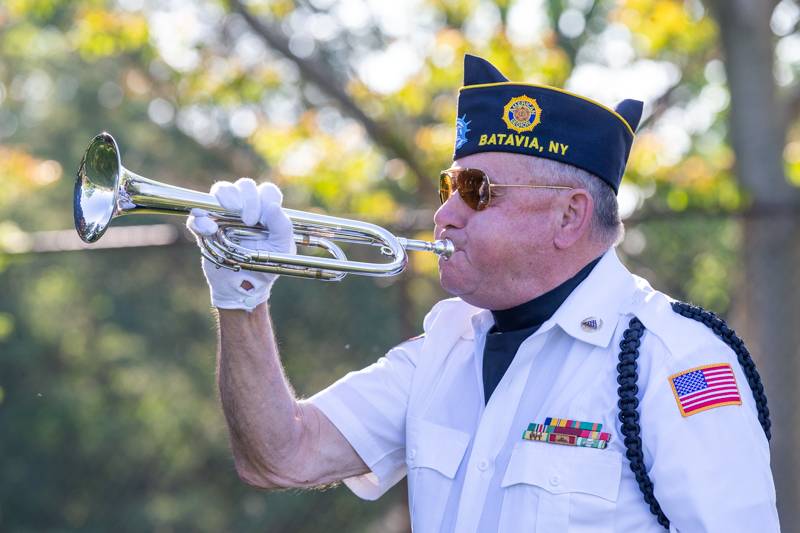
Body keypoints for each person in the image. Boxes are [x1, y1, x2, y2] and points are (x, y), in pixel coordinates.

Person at [187, 55, 779, 532]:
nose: (444, 212)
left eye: (476, 190)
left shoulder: (673, 360)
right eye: (450, 185)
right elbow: (280, 455)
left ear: (569, 216)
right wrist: (241, 297)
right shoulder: (445, 346)